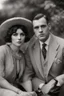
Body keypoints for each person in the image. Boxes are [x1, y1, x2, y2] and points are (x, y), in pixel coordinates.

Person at [23, 13, 64, 96]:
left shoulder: (62, 44)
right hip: (40, 90)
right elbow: (28, 74)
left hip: (60, 89)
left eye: (43, 26)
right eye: (36, 27)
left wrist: (56, 81)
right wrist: (42, 86)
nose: (40, 30)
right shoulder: (29, 48)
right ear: (34, 30)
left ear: (49, 26)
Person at [0, 17, 36, 96]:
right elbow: (0, 79)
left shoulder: (22, 55)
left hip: (13, 88)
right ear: (10, 36)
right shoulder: (2, 51)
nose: (19, 38)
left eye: (22, 34)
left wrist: (29, 93)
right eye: (15, 34)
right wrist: (19, 92)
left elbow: (25, 79)